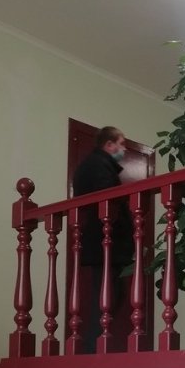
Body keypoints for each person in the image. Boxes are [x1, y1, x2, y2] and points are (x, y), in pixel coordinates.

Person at [71, 126, 130, 353]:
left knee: (108, 295)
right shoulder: (99, 166)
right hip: (106, 242)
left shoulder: (93, 164)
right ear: (109, 144)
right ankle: (93, 348)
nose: (123, 149)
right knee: (107, 296)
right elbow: (107, 201)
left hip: (102, 242)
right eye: (121, 144)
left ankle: (95, 346)